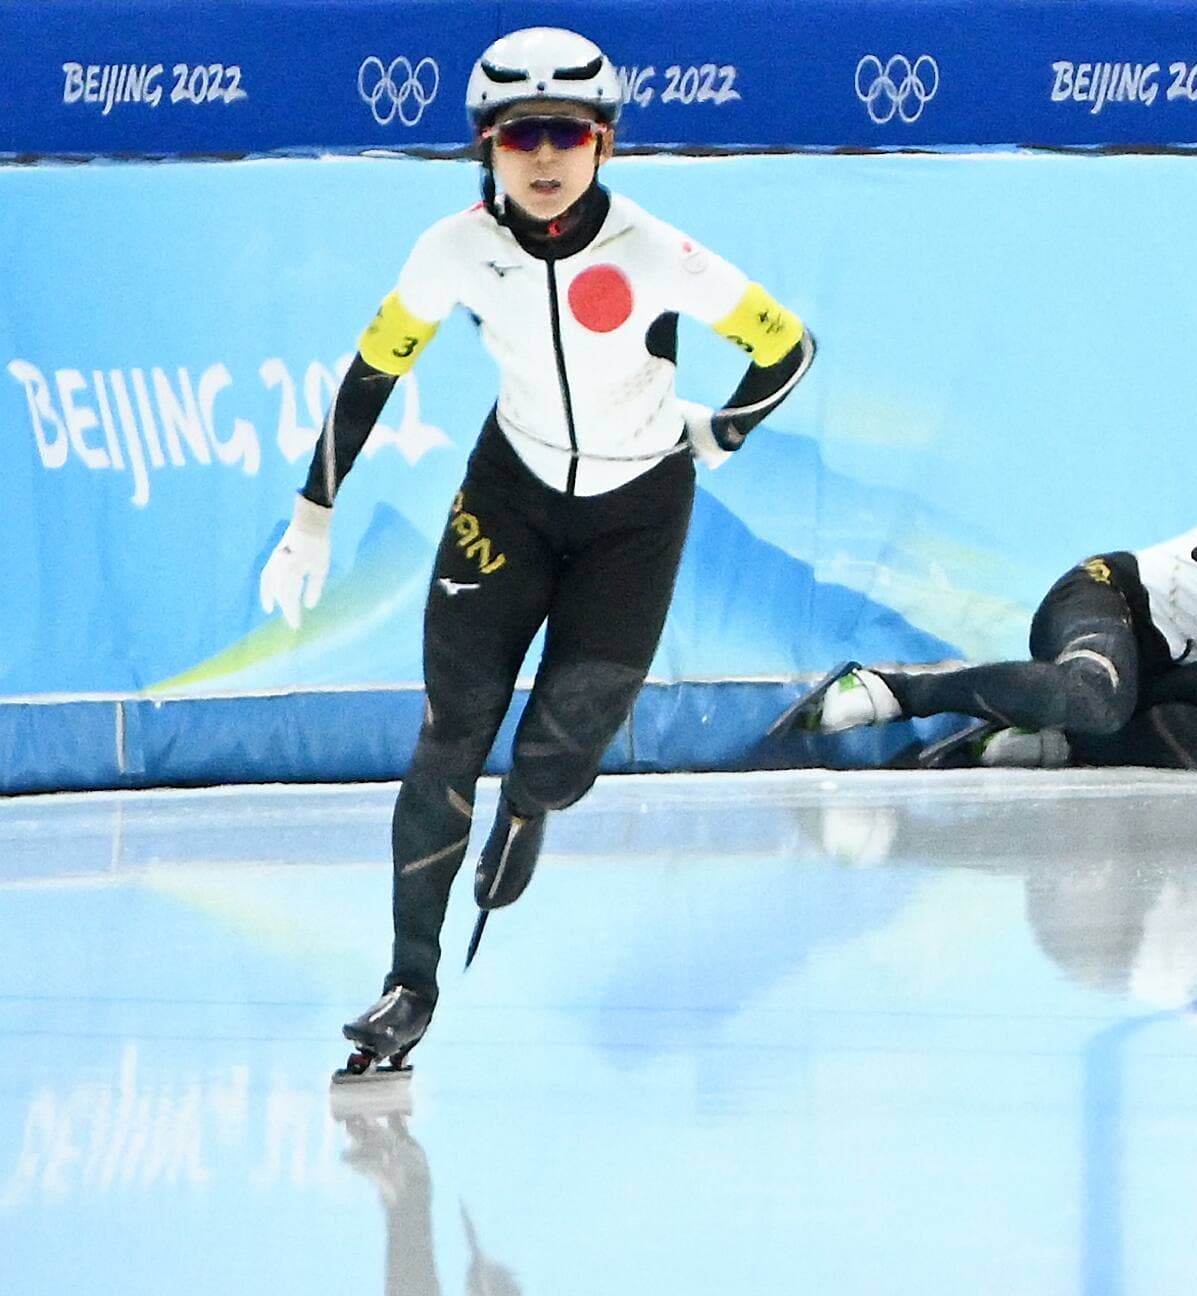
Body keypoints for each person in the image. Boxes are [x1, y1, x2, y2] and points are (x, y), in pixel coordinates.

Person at [256, 27, 816, 1081]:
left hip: (635, 517)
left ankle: (531, 805)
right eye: (521, 135)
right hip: (506, 499)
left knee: (557, 758)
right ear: (487, 147)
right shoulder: (453, 250)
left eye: (567, 131)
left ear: (604, 142)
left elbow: (787, 345)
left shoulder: (656, 252)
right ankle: (406, 985)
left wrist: (722, 430)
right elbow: (373, 370)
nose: (545, 155)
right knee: (447, 733)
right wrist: (314, 511)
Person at [779, 405, 1197, 773]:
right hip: (1103, 597)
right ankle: (889, 690)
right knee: (1096, 695)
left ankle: (1041, 746)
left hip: (1162, 664)